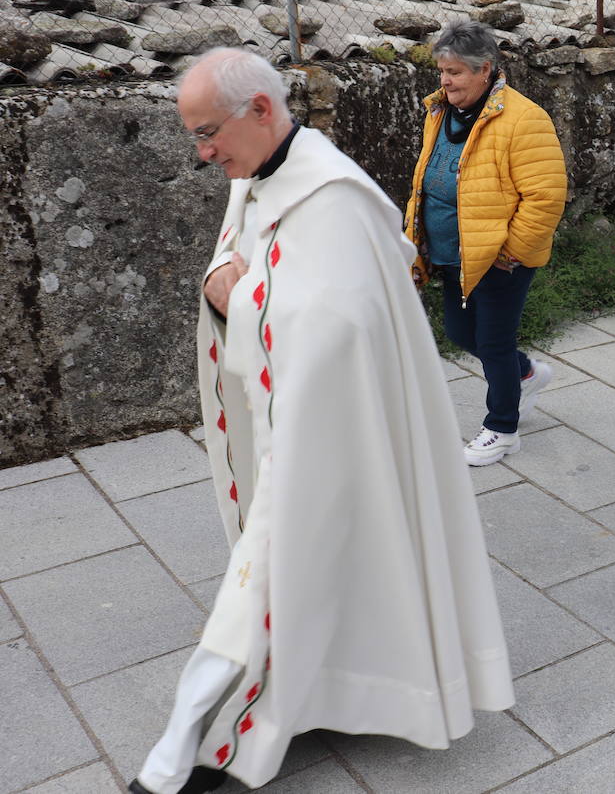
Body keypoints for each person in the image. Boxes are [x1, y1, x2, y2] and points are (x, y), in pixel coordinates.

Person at [132, 47, 514, 794]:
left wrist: (236, 299)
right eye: (194, 135)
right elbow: (241, 265)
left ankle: (194, 748)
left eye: (209, 132)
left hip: (331, 424)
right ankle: (317, 692)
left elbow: (339, 323)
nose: (203, 151)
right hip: (299, 418)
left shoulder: (332, 196)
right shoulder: (261, 174)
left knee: (278, 571)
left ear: (262, 111)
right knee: (331, 566)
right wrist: (221, 285)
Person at [403, 21, 568, 467]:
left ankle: (502, 429)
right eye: (441, 71)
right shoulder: (439, 111)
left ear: (485, 70)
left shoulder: (524, 119)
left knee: (493, 341)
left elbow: (546, 196)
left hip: (500, 257)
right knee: (461, 333)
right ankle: (526, 374)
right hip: (452, 252)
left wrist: (510, 252)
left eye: (454, 72)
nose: (445, 80)